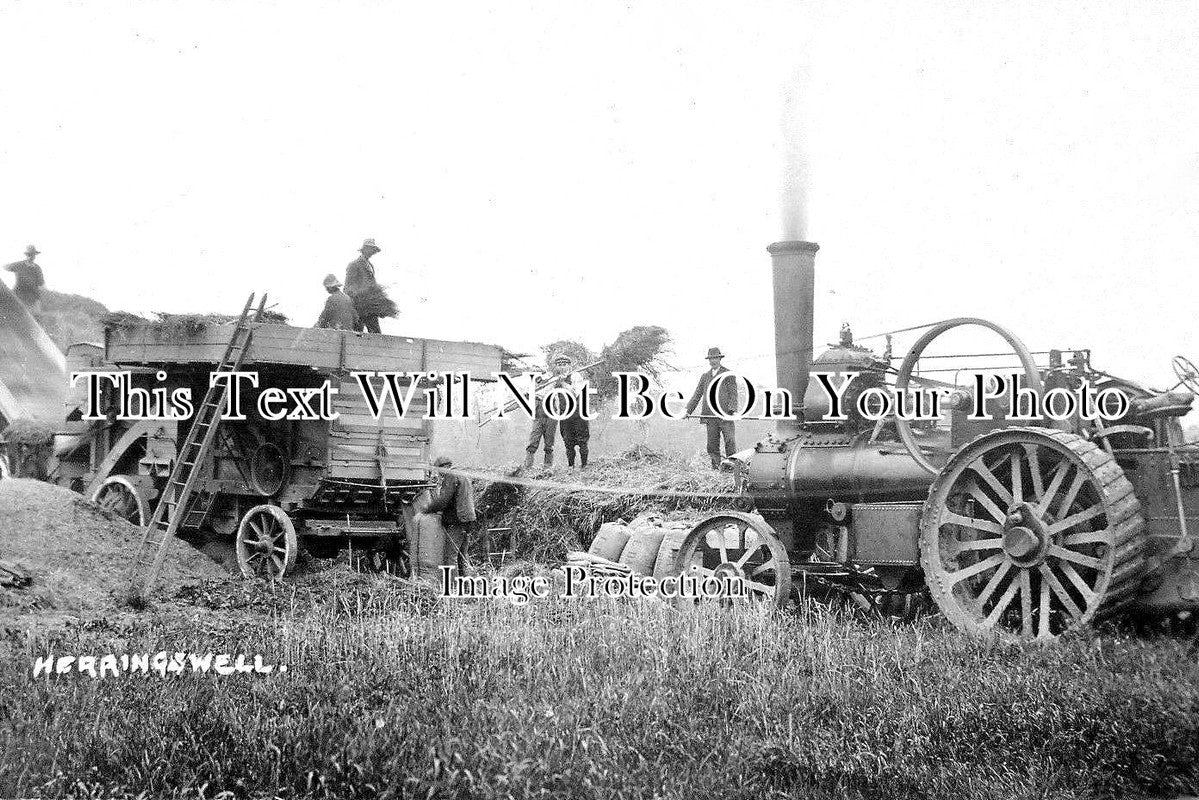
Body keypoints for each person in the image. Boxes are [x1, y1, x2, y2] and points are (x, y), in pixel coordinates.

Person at [418, 455, 476, 580]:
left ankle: (453, 587)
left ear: (443, 468)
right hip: (468, 519)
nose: (439, 474)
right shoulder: (463, 474)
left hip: (457, 520)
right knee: (463, 554)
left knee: (451, 556)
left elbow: (444, 499)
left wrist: (428, 509)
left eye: (439, 471)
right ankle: (467, 584)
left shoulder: (451, 475)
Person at [685, 347, 739, 469]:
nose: (713, 361)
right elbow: (697, 394)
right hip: (710, 416)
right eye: (710, 359)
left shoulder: (728, 374)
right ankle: (715, 468)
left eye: (715, 358)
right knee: (712, 445)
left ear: (720, 358)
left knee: (730, 441)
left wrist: (733, 409)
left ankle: (731, 469)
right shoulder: (705, 376)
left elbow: (733, 394)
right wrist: (687, 410)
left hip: (725, 415)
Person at [523, 352, 573, 469]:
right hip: (539, 412)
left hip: (552, 412)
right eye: (558, 364)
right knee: (533, 440)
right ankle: (527, 466)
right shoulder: (546, 377)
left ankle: (547, 468)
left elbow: (570, 392)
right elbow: (537, 389)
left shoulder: (566, 379)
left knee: (549, 443)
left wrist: (561, 382)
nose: (560, 367)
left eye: (563, 364)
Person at [344, 238, 383, 333]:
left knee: (376, 333)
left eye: (373, 250)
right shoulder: (354, 265)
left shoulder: (370, 265)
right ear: (364, 249)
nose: (372, 252)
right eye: (370, 249)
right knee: (357, 334)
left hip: (370, 306)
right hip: (358, 306)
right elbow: (347, 287)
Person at [4, 245, 45, 313]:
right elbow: (5, 266)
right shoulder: (19, 265)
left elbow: (41, 283)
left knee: (35, 319)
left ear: (35, 255)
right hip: (20, 298)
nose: (31, 256)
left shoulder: (37, 268)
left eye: (33, 254)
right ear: (26, 255)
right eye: (29, 254)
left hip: (33, 299)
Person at [559, 380, 590, 468]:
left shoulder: (578, 377)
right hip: (566, 418)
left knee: (582, 442)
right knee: (568, 442)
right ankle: (571, 466)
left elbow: (578, 390)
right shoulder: (557, 382)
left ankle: (584, 465)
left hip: (580, 416)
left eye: (565, 365)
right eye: (561, 365)